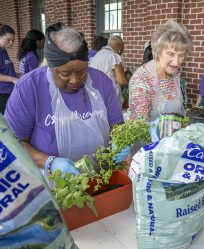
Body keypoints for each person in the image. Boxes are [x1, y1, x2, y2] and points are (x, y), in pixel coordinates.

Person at [4, 22, 130, 176]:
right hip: (54, 181)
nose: (75, 80)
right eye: (65, 74)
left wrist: (120, 140)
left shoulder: (101, 82)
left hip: (99, 175)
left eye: (82, 72)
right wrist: (48, 162)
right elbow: (14, 143)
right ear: (50, 66)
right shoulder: (29, 88)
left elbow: (117, 124)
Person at [129, 20, 192, 128]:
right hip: (151, 143)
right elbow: (139, 126)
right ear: (158, 51)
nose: (176, 62)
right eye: (170, 54)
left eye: (181, 55)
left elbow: (181, 110)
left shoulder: (174, 74)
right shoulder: (142, 79)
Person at [90, 35, 128, 105]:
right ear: (119, 48)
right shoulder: (114, 56)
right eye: (122, 50)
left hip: (96, 96)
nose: (121, 52)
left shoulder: (97, 54)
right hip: (110, 97)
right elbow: (122, 81)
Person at [0, 24, 17, 114]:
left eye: (13, 40)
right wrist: (13, 79)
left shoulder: (4, 50)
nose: (11, 43)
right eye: (8, 40)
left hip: (9, 90)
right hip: (2, 93)